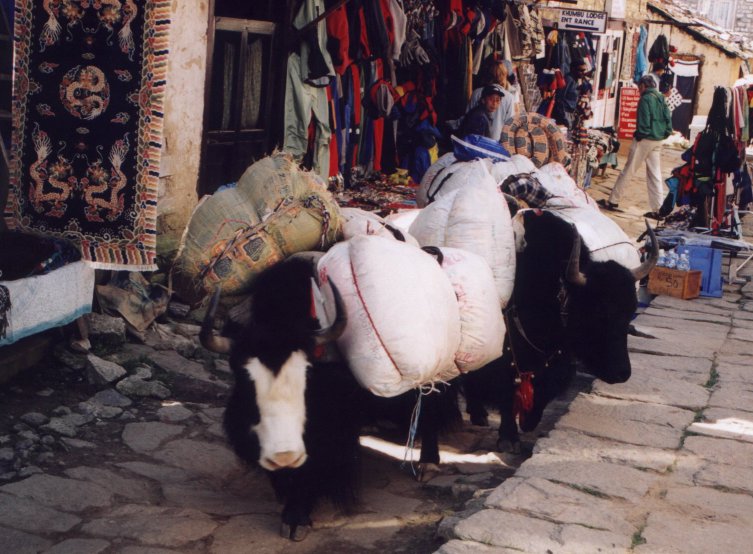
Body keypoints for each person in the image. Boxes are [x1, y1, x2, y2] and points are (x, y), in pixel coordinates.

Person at [598, 75, 673, 219]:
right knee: (655, 175)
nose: (638, 90)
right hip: (658, 140)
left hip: (644, 139)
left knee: (628, 170)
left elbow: (643, 121)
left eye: (639, 87)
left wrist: (640, 135)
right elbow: (668, 121)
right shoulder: (661, 98)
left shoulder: (645, 98)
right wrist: (663, 134)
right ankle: (658, 209)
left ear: (644, 86)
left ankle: (613, 201)